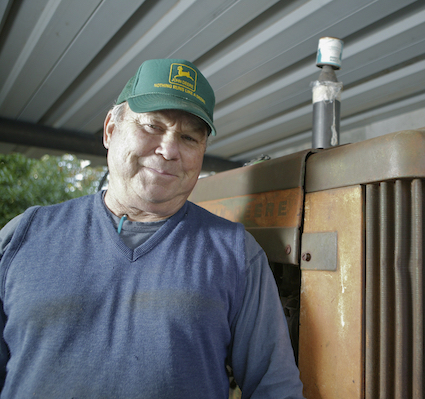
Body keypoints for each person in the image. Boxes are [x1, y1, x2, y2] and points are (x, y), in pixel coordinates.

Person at [0, 59, 304, 398]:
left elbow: (275, 388)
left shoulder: (236, 253)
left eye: (188, 137)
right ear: (110, 130)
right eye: (151, 126)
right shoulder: (24, 235)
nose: (169, 149)